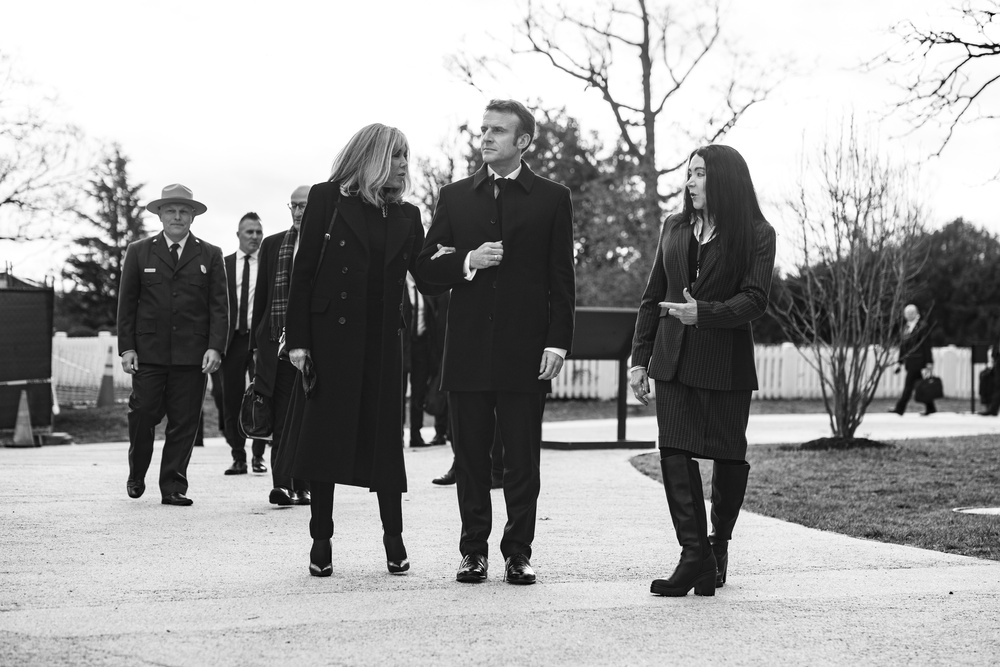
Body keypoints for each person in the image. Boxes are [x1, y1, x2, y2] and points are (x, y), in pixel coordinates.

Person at [416, 99, 576, 586]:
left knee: (522, 460)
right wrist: (467, 260)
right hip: (465, 351)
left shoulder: (552, 198)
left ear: (523, 141)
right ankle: (472, 553)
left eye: (498, 131)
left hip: (526, 352)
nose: (485, 138)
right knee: (469, 458)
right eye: (484, 129)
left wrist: (558, 343)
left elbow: (561, 279)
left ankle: (518, 553)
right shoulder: (455, 196)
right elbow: (424, 270)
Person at [277, 124, 439, 577]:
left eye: (407, 156)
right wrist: (300, 340)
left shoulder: (407, 215)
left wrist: (466, 261)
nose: (406, 165)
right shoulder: (327, 199)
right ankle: (321, 541)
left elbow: (426, 276)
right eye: (398, 156)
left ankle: (394, 539)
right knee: (326, 442)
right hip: (331, 340)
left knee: (384, 444)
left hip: (383, 343)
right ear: (372, 158)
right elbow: (304, 271)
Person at [629, 145, 776, 598]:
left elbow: (755, 299)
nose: (689, 182)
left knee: (728, 456)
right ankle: (694, 554)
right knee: (673, 450)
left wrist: (704, 314)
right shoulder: (674, 226)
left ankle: (718, 546)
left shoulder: (757, 233)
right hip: (672, 360)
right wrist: (639, 358)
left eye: (699, 174)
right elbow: (654, 295)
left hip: (725, 364)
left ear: (724, 180)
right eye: (689, 174)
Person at [117, 183, 228, 506]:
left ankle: (173, 486)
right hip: (148, 353)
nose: (177, 216)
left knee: (184, 421)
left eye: (184, 211)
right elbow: (128, 304)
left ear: (192, 217)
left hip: (193, 355)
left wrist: (215, 347)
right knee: (142, 414)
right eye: (171, 210)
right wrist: (127, 348)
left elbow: (219, 306)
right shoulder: (139, 251)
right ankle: (137, 472)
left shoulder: (210, 254)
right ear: (160, 215)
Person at [250, 185, 313, 505]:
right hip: (276, 344)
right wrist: (255, 345)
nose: (299, 212)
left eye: (304, 206)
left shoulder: (326, 243)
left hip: (314, 347)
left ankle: (304, 485)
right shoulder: (274, 244)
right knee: (282, 418)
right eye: (294, 206)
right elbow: (262, 297)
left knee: (308, 418)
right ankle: (283, 484)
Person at [221, 213, 268, 475]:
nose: (254, 237)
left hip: (260, 341)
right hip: (233, 341)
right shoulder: (224, 264)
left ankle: (258, 456)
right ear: (238, 235)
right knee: (230, 399)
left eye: (258, 232)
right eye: (249, 232)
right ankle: (237, 455)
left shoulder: (269, 264)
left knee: (261, 397)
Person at [402, 272, 447, 448]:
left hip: (422, 347)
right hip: (403, 346)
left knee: (419, 393)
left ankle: (415, 435)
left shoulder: (426, 288)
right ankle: (398, 434)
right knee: (399, 392)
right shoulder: (401, 287)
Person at [890, 304, 936, 416]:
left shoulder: (922, 326)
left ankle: (900, 408)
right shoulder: (905, 327)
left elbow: (926, 345)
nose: (909, 315)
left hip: (920, 362)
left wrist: (929, 362)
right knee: (921, 385)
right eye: (907, 313)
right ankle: (931, 407)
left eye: (911, 313)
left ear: (916, 313)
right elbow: (903, 347)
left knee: (909, 386)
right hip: (910, 362)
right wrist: (900, 362)